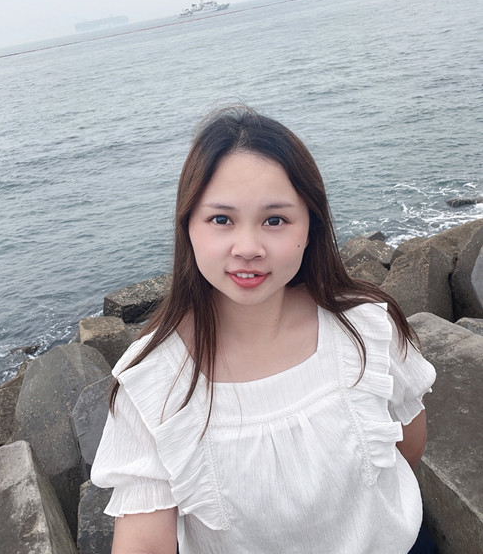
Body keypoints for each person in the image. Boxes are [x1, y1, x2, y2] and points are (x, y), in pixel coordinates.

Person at [91, 105, 437, 554]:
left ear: (311, 226)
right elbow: (145, 543)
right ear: (187, 226)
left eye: (275, 220)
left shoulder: (366, 327)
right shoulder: (153, 383)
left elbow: (408, 448)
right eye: (221, 219)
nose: (248, 248)